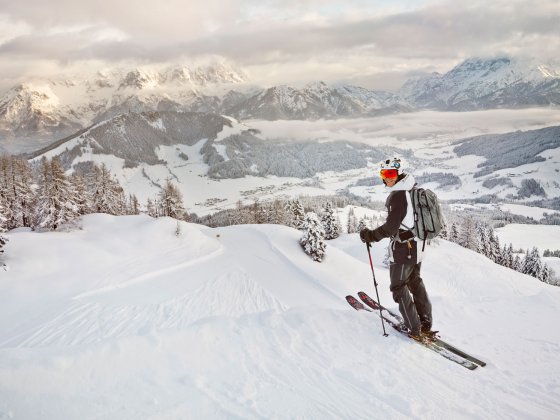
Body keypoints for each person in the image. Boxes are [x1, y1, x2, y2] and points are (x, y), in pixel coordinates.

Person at [359, 157, 432, 339]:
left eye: (391, 173)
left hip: (405, 249)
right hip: (418, 245)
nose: (388, 178)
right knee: (415, 281)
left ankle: (414, 328)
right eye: (384, 174)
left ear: (399, 173)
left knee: (398, 287)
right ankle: (425, 322)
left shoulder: (399, 195)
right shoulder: (411, 188)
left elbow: (391, 227)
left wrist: (370, 236)